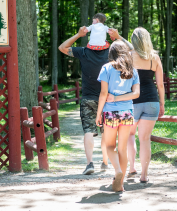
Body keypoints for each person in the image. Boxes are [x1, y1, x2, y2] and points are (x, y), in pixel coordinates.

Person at [108, 27, 165, 183]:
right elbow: (160, 85)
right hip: (152, 100)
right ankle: (144, 175)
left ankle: (132, 167)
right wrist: (162, 103)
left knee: (129, 136)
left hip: (132, 101)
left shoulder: (128, 57)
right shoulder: (155, 58)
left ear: (133, 41)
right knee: (145, 139)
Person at [58, 26, 109, 175]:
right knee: (106, 132)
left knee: (88, 131)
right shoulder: (110, 52)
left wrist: (78, 34)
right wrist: (117, 37)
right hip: (106, 99)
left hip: (87, 98)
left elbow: (62, 47)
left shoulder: (83, 52)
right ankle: (105, 161)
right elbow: (130, 50)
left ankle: (89, 164)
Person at [95, 40, 140, 191]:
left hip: (111, 113)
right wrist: (120, 98)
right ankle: (120, 185)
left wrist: (99, 113)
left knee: (109, 146)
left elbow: (103, 94)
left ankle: (118, 172)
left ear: (111, 53)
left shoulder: (106, 68)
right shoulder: (132, 70)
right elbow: (136, 94)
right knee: (122, 149)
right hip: (127, 112)